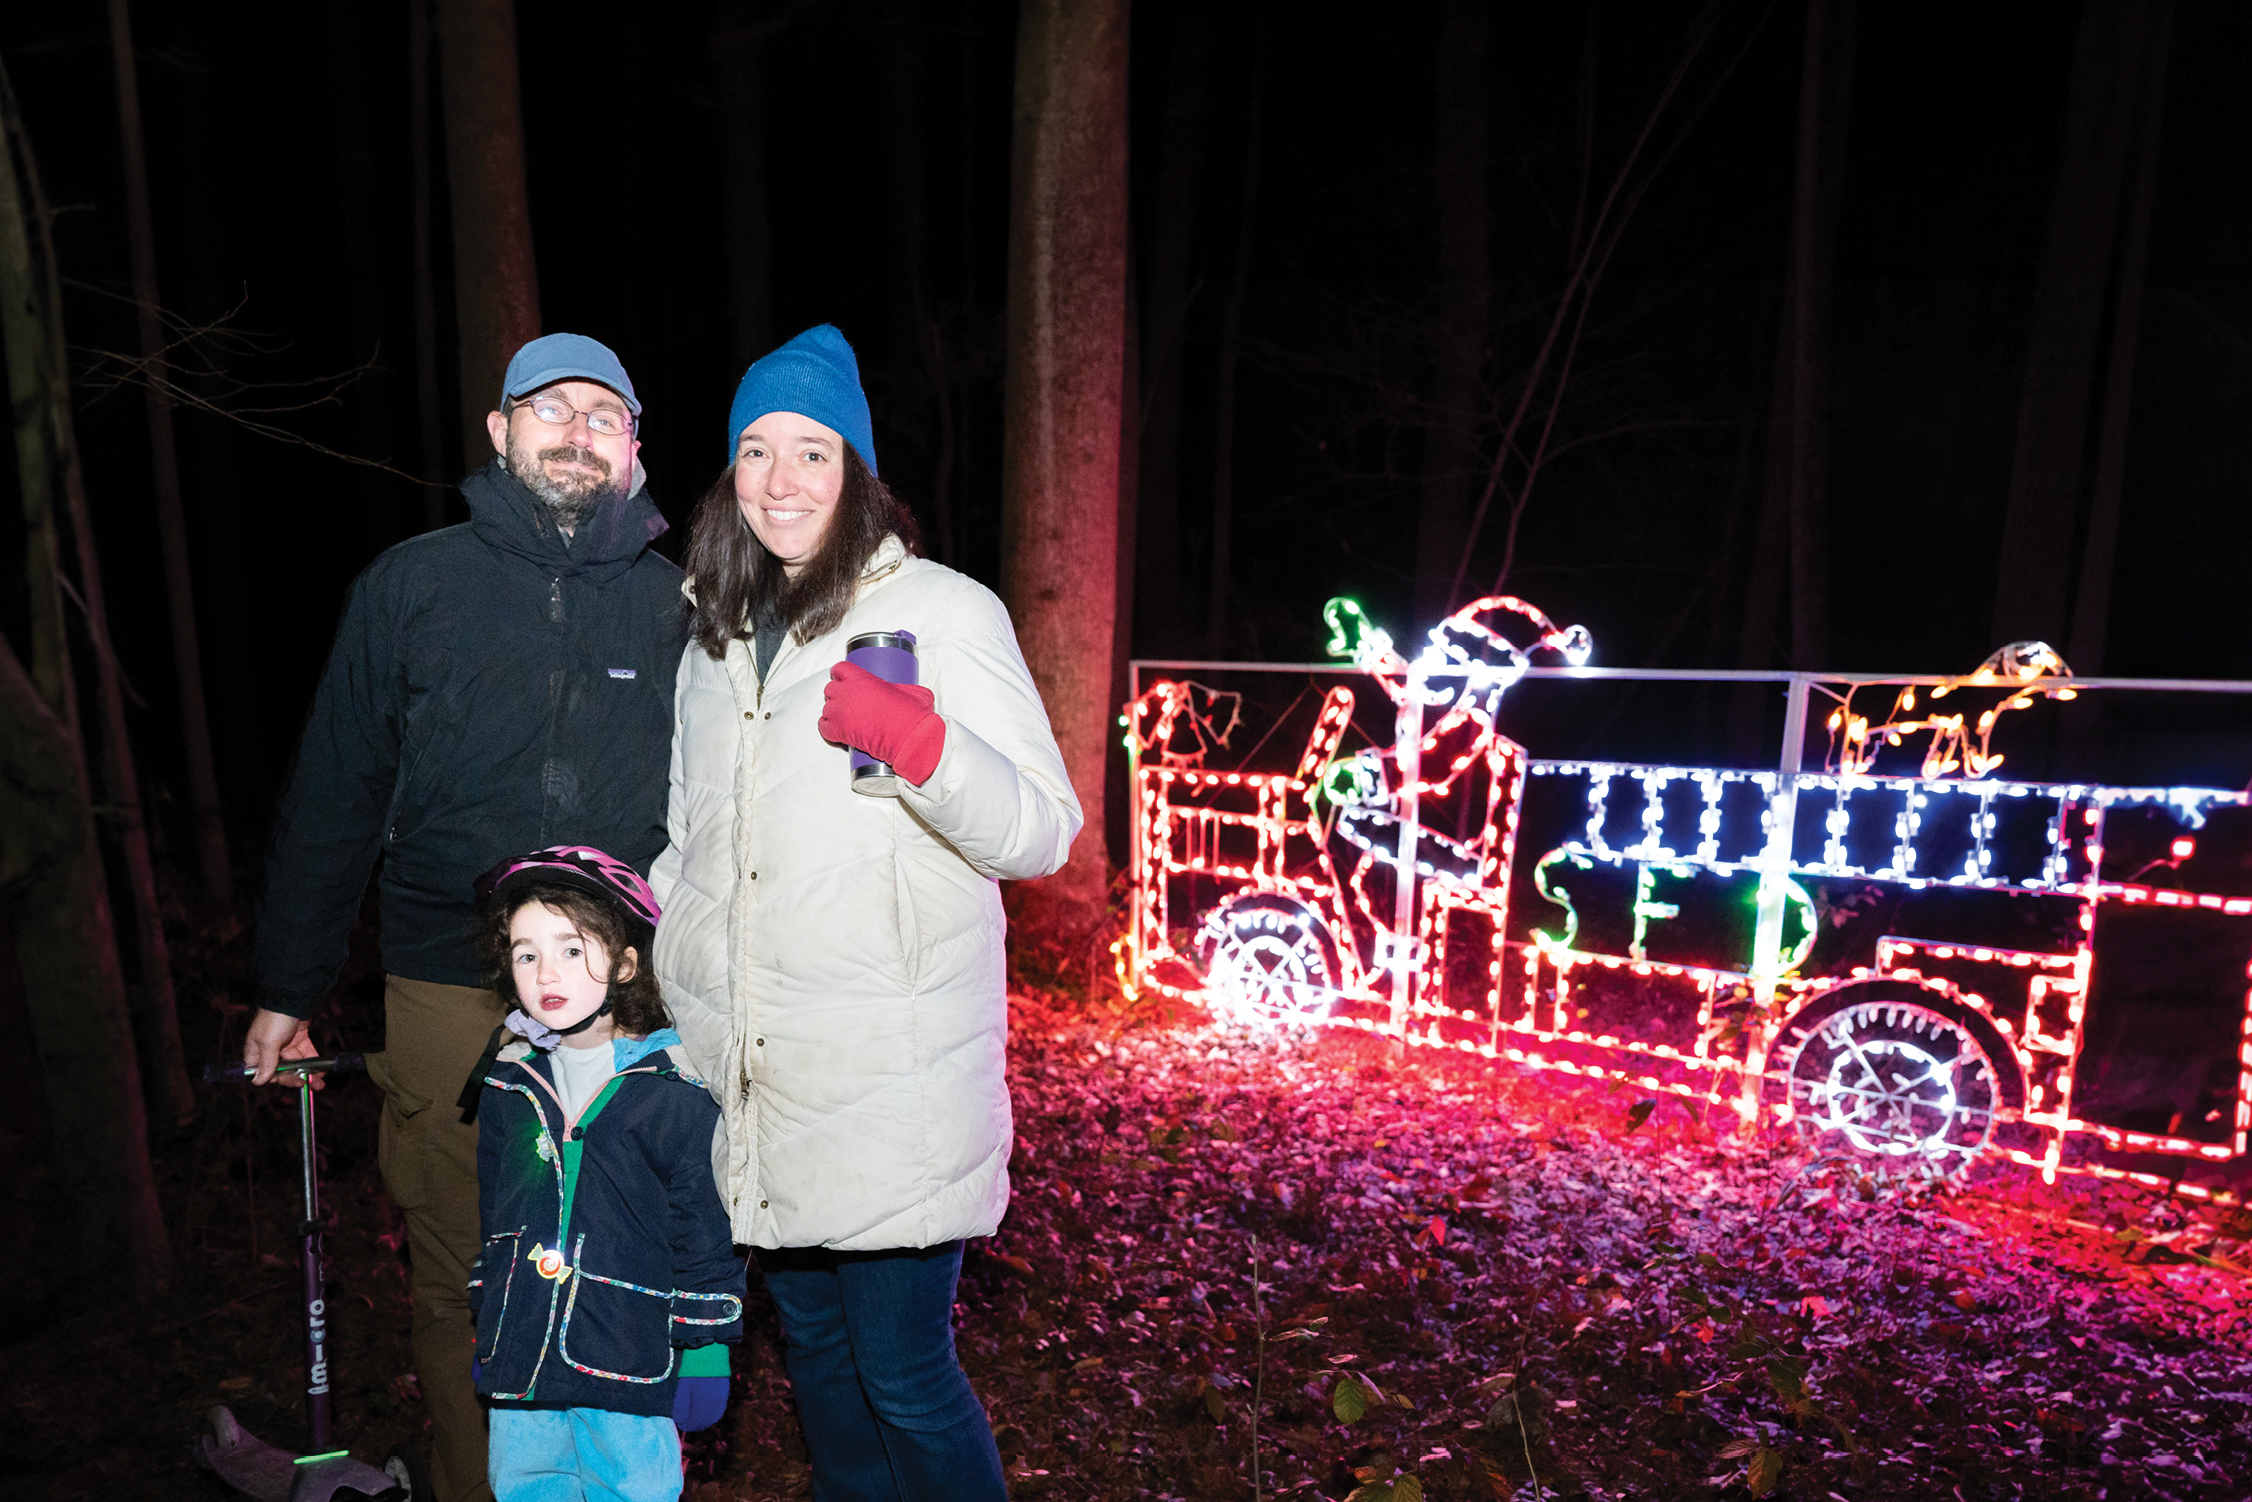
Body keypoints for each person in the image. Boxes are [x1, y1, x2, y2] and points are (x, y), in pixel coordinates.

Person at [243, 334, 687, 1502]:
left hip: (626, 1012)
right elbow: (334, 792)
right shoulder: (411, 585)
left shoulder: (678, 607)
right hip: (447, 992)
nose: (577, 429)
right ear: (499, 432)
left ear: (634, 449)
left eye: (605, 413)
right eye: (551, 407)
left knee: (619, 1265)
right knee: (465, 1275)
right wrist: (289, 985)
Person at [649, 324, 1080, 1499]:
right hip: (758, 1072)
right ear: (727, 473)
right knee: (823, 1367)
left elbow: (1044, 829)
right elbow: (691, 846)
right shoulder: (711, 636)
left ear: (856, 473)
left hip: (889, 1070)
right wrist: (663, 970)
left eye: (812, 451)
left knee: (902, 1370)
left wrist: (925, 747)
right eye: (754, 450)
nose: (780, 480)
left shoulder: (943, 611)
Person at [469, 847, 744, 1502]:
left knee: (632, 1490)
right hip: (525, 1355)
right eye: (525, 952)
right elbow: (495, 1211)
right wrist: (491, 1304)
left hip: (626, 1353)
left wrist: (706, 1345)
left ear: (624, 963)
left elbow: (706, 1227)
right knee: (525, 1485)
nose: (545, 972)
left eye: (571, 948)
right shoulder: (510, 1082)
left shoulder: (674, 1090)